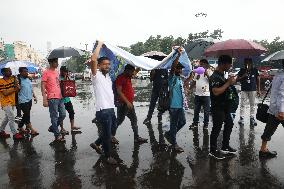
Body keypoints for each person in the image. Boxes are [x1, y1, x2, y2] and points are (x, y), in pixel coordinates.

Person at [89, 41, 118, 165]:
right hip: (103, 110)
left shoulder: (108, 77)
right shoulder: (96, 76)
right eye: (104, 64)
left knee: (112, 131)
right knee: (107, 136)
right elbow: (94, 59)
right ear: (99, 66)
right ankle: (107, 156)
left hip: (111, 109)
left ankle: (96, 143)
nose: (107, 66)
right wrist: (99, 44)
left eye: (108, 64)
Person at [209, 55, 237, 160]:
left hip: (226, 106)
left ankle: (225, 145)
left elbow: (226, 86)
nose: (230, 66)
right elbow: (216, 92)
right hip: (217, 107)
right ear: (223, 64)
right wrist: (228, 83)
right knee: (217, 128)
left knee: (229, 125)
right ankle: (212, 150)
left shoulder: (222, 75)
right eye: (229, 64)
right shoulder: (214, 76)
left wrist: (230, 81)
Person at [113, 64, 148, 144]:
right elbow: (119, 91)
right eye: (131, 71)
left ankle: (136, 137)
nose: (133, 73)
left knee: (134, 119)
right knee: (119, 121)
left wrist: (139, 65)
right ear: (127, 70)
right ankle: (111, 135)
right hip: (123, 104)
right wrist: (127, 102)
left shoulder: (128, 76)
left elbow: (135, 73)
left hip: (129, 104)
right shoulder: (120, 78)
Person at [259, 61, 284, 159]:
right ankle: (263, 150)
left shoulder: (278, 74)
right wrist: (281, 110)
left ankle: (263, 149)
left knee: (269, 129)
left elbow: (273, 89)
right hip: (281, 110)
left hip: (273, 108)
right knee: (269, 129)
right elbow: (282, 94)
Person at [164, 47, 186, 153]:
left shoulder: (179, 78)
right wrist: (178, 55)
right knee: (173, 125)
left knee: (183, 122)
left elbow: (183, 89)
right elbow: (172, 68)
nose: (180, 70)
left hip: (180, 105)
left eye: (181, 69)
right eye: (178, 68)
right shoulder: (172, 77)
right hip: (173, 106)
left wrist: (191, 76)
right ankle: (174, 144)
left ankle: (169, 135)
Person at [41, 58, 66, 142]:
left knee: (63, 114)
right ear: (51, 63)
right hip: (52, 98)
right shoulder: (45, 72)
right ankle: (57, 134)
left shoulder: (57, 72)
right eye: (55, 62)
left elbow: (57, 84)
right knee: (54, 117)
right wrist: (44, 99)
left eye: (57, 62)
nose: (57, 63)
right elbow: (43, 86)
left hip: (60, 97)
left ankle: (52, 127)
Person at [187, 59, 212, 130]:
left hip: (206, 95)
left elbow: (212, 82)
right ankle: (195, 123)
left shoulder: (209, 72)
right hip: (197, 94)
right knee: (196, 110)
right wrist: (189, 89)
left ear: (205, 64)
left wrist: (207, 74)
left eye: (201, 64)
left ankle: (206, 125)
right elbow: (194, 82)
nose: (200, 66)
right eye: (199, 64)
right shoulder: (198, 72)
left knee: (206, 111)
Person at [0, 68, 23, 140]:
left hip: (12, 101)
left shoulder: (12, 80)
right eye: (8, 71)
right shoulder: (1, 81)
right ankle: (15, 133)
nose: (10, 72)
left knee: (7, 118)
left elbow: (18, 89)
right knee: (12, 117)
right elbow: (5, 93)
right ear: (3, 73)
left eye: (10, 70)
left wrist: (16, 82)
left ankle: (1, 131)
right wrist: (14, 89)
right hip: (5, 103)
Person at [237, 58, 260, 126]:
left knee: (252, 105)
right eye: (246, 63)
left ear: (251, 63)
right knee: (242, 104)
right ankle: (241, 118)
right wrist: (243, 76)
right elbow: (237, 79)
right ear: (244, 63)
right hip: (244, 90)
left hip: (253, 90)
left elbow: (258, 79)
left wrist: (258, 90)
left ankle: (252, 118)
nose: (247, 64)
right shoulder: (242, 70)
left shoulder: (255, 70)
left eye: (249, 63)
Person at [17, 67, 39, 135]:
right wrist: (17, 87)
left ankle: (20, 126)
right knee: (27, 114)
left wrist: (34, 96)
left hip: (29, 99)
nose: (26, 73)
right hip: (22, 101)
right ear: (20, 72)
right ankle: (32, 129)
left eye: (27, 71)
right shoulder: (18, 80)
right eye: (24, 71)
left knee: (26, 114)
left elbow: (30, 88)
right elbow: (16, 91)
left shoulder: (27, 79)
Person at [59, 66, 81, 133]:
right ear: (61, 71)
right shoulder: (58, 78)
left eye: (66, 71)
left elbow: (71, 84)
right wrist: (65, 78)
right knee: (62, 114)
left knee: (71, 112)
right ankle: (62, 128)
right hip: (60, 100)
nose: (66, 73)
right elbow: (60, 86)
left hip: (67, 99)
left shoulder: (68, 77)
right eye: (64, 71)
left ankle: (72, 126)